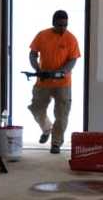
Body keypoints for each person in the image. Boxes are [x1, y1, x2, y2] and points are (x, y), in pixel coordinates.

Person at [28, 10, 81, 154]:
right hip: (43, 81)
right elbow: (33, 54)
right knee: (36, 108)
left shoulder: (71, 39)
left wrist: (62, 72)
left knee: (62, 114)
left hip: (63, 84)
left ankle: (56, 143)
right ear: (53, 23)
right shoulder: (42, 35)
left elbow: (73, 59)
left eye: (65, 25)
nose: (63, 28)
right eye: (60, 25)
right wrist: (37, 68)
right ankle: (47, 129)